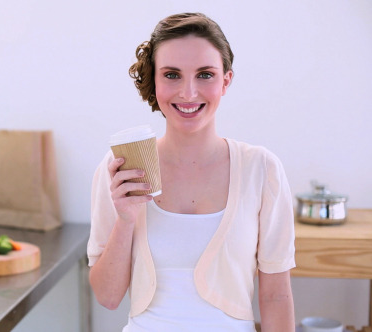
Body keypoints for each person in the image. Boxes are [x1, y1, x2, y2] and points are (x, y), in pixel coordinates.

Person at [87, 13, 296, 332]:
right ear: (154, 81)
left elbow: (277, 297)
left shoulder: (261, 169)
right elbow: (108, 296)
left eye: (205, 75)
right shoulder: (120, 169)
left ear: (226, 81)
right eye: (172, 74)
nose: (188, 92)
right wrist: (126, 219)